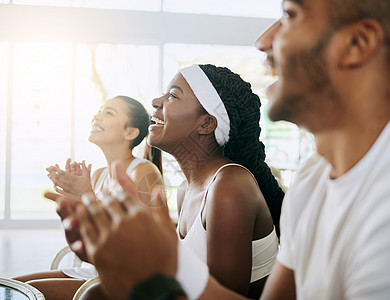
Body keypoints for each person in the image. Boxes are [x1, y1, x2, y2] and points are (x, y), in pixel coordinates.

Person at [51, 0, 390, 297]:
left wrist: (158, 269)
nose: (262, 41)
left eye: (290, 14)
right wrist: (125, 256)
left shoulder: (381, 204)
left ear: (357, 43)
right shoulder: (313, 179)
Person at [14, 96, 164, 300]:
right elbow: (89, 238)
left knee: (27, 292)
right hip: (93, 270)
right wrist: (73, 198)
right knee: (13, 285)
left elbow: (143, 244)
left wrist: (87, 195)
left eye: (108, 113)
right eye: (100, 110)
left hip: (125, 279)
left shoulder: (144, 171)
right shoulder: (98, 174)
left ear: (130, 132)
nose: (97, 116)